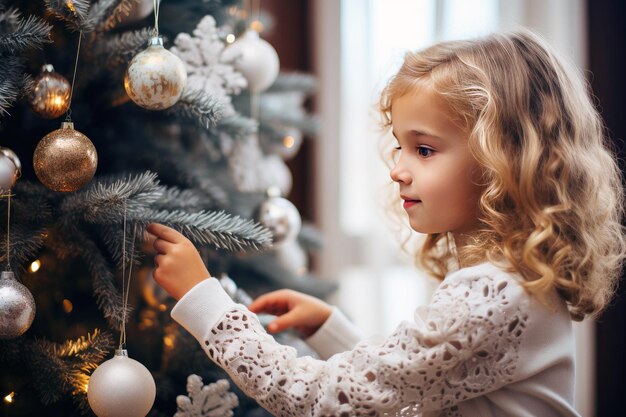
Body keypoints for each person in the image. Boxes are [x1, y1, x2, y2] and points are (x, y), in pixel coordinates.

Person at [145, 30, 626, 417]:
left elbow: (321, 400)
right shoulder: (513, 282)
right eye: (400, 145)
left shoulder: (492, 294)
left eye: (425, 149)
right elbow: (419, 387)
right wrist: (331, 328)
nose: (397, 167)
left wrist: (204, 299)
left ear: (504, 158)